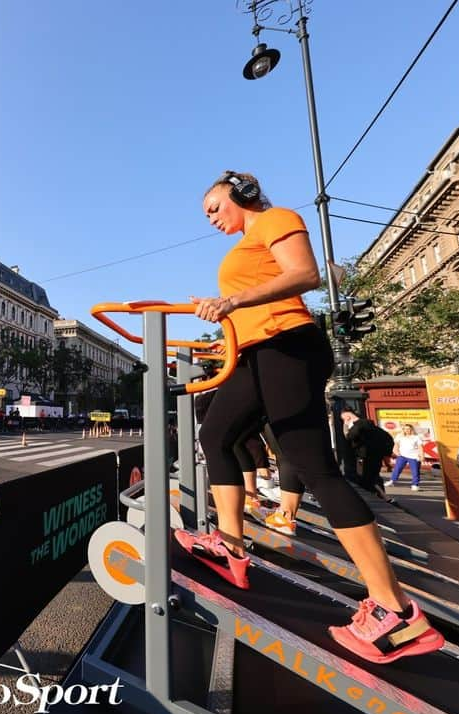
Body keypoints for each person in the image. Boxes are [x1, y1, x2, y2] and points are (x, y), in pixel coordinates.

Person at [179, 170, 443, 664]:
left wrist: (232, 300)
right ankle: (231, 547)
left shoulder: (275, 219)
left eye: (214, 206)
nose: (211, 218)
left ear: (242, 194)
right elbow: (258, 296)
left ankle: (398, 612)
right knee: (215, 434)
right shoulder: (246, 243)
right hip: (258, 351)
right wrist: (223, 316)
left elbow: (305, 274)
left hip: (288, 347)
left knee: (313, 465)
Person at [340, 409, 395, 502]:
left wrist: (345, 426)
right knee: (374, 476)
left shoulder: (358, 426)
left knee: (363, 476)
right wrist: (385, 453)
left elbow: (349, 437)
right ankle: (381, 496)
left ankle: (383, 497)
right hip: (376, 457)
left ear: (347, 417)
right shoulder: (373, 427)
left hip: (362, 457)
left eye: (343, 419)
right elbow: (389, 439)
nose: (344, 421)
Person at [388, 424, 423, 491]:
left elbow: (420, 447)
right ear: (403, 430)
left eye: (409, 429)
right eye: (405, 429)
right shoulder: (399, 436)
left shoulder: (416, 437)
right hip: (402, 456)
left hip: (414, 456)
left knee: (415, 471)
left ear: (412, 429)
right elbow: (396, 445)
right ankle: (392, 481)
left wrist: (422, 456)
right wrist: (395, 451)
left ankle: (415, 485)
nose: (407, 430)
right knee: (397, 469)